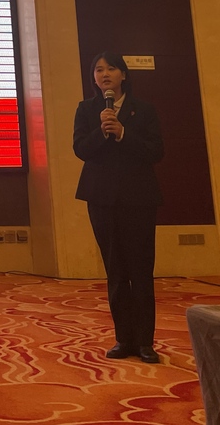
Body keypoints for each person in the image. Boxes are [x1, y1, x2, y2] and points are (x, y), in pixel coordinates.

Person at [73, 51, 164, 365]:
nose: (105, 74)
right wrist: (101, 131)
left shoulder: (144, 110)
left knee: (140, 270)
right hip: (101, 199)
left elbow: (156, 151)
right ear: (94, 78)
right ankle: (123, 339)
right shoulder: (87, 110)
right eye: (98, 70)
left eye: (111, 68)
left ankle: (145, 342)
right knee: (115, 271)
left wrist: (123, 133)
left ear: (123, 75)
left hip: (139, 199)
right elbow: (80, 149)